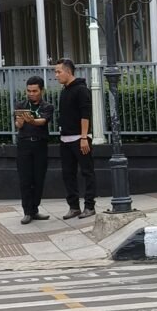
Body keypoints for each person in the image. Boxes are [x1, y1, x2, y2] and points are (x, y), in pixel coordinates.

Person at [55, 58, 97, 219]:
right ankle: (74, 207)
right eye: (56, 72)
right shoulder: (64, 90)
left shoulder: (81, 90)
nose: (56, 75)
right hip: (65, 139)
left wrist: (84, 137)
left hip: (80, 138)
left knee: (87, 172)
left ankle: (89, 206)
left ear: (68, 71)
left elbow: (85, 114)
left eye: (59, 72)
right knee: (68, 173)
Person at [14, 76, 54, 224]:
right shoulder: (21, 105)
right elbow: (18, 124)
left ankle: (34, 209)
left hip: (40, 146)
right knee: (25, 179)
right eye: (29, 91)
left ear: (41, 91)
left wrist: (31, 120)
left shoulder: (47, 106)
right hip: (24, 145)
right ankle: (27, 211)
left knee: (38, 178)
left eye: (34, 91)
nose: (31, 94)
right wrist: (20, 122)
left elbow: (43, 121)